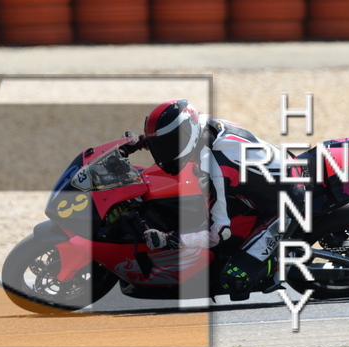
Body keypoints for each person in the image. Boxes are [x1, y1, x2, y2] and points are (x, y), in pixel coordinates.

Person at [122, 99, 305, 301]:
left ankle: (279, 261)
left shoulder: (215, 167)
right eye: (160, 145)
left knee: (234, 278)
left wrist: (169, 239)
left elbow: (218, 234)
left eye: (168, 144)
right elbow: (171, 138)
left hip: (285, 202)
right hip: (264, 179)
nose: (163, 154)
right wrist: (139, 142)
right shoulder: (199, 125)